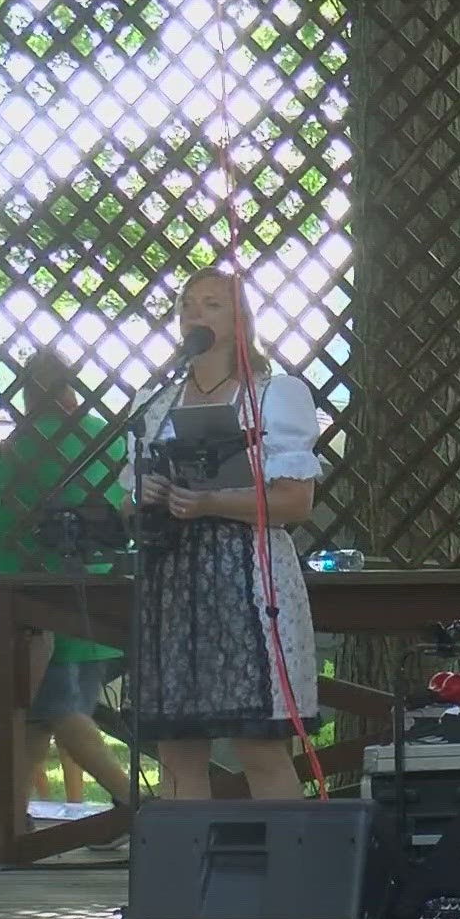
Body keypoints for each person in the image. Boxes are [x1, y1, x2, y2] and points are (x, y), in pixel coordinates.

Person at [118, 267, 323, 800]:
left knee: (258, 746)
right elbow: (126, 501)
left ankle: (291, 879)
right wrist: (151, 494)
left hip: (248, 583)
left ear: (239, 319)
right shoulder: (157, 400)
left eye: (211, 304)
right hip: (173, 581)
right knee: (178, 751)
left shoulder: (275, 393)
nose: (194, 314)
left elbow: (295, 502)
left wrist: (211, 501)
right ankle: (188, 878)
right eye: (188, 304)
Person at [0, 349, 135, 845]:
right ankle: (9, 815)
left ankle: (133, 806)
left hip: (37, 601)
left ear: (30, 391)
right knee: (36, 712)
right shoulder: (107, 435)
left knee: (56, 707)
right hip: (97, 593)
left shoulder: (26, 445)